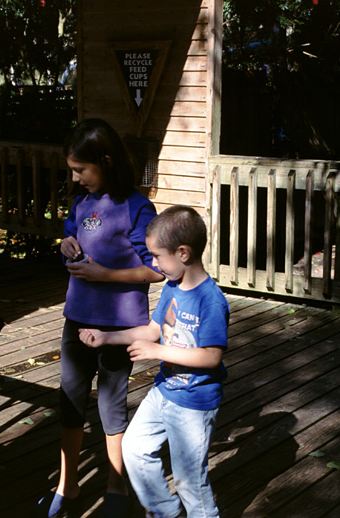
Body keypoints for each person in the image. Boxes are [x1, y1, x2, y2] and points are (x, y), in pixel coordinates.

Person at [37, 119, 164, 518]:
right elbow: (70, 237)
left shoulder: (138, 208)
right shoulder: (81, 203)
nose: (75, 178)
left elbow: (156, 270)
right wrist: (66, 244)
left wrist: (105, 275)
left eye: (81, 170)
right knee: (71, 402)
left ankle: (115, 485)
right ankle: (67, 485)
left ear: (106, 161)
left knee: (111, 407)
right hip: (77, 320)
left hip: (119, 328)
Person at [80, 205, 230, 518]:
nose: (153, 263)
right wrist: (106, 337)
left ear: (183, 253)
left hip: (193, 402)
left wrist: (158, 352)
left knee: (189, 479)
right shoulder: (171, 289)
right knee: (133, 448)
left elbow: (212, 356)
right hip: (163, 392)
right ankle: (165, 511)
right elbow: (152, 329)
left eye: (158, 256)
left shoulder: (210, 300)